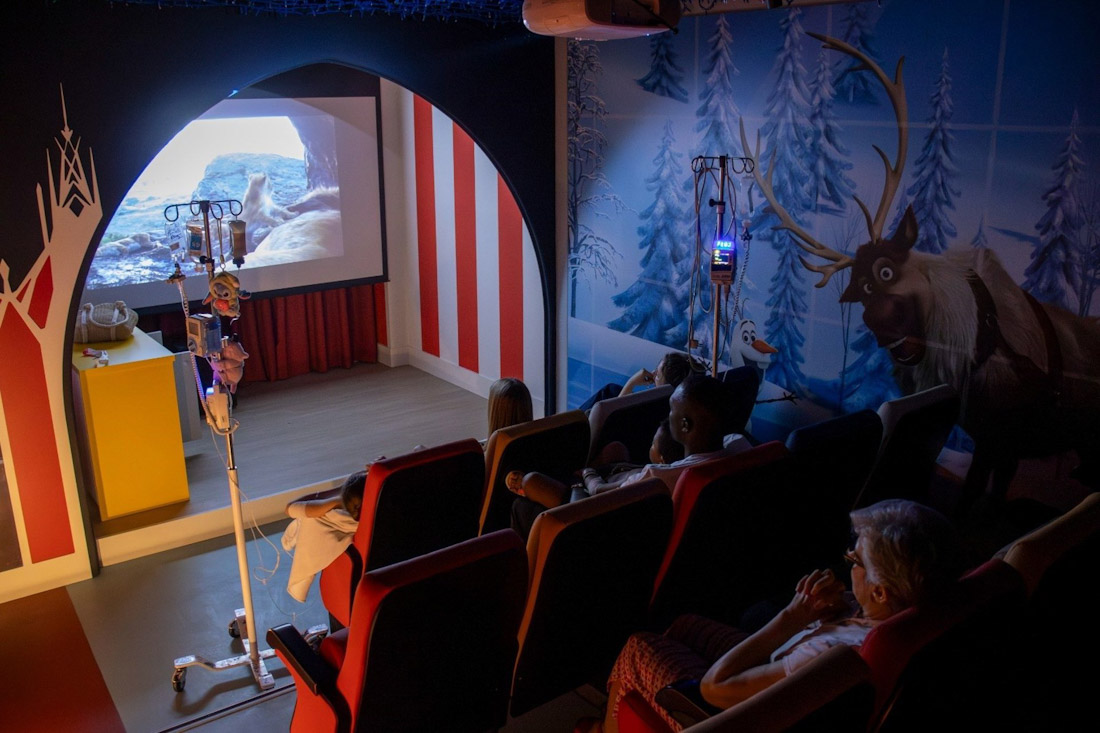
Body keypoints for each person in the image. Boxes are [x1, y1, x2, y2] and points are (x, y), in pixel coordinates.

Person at [596, 498, 965, 733]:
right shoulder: (899, 615)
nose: (847, 563)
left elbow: (714, 688)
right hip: (779, 660)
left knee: (638, 647)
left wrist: (793, 616)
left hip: (730, 704)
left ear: (882, 591)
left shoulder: (829, 655)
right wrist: (831, 613)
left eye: (855, 561)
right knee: (685, 624)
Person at [511, 375, 747, 536]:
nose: (669, 415)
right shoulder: (740, 448)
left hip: (597, 520)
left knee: (529, 490)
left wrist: (583, 478)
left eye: (673, 410)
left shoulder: (657, 477)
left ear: (685, 425)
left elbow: (600, 498)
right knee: (614, 451)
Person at [281, 469, 368, 602]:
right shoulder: (378, 514)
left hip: (348, 596)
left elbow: (290, 508)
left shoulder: (329, 517)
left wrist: (337, 497)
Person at [578, 352, 704, 411]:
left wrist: (631, 383)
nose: (653, 373)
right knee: (613, 391)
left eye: (658, 375)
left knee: (610, 392)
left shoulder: (654, 412)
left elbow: (610, 418)